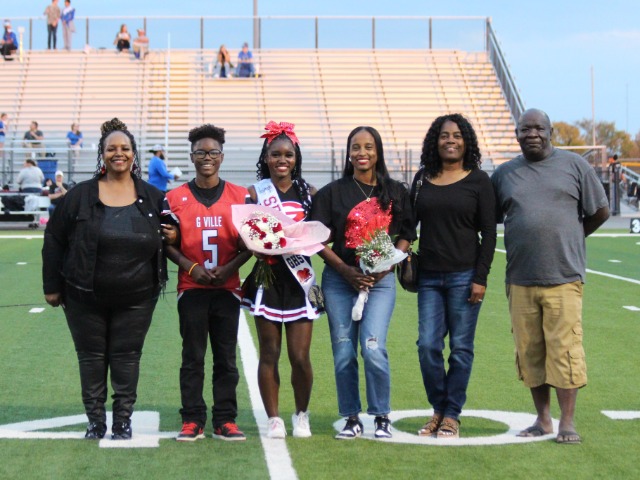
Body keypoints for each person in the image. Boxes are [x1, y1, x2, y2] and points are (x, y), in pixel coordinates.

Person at [42, 118, 174, 440]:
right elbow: (54, 238)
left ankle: (123, 420)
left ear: (133, 153)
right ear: (102, 154)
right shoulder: (80, 195)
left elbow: (171, 235)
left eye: (125, 148)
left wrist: (175, 235)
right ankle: (95, 421)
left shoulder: (153, 196)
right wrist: (51, 287)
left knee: (127, 358)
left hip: (138, 296)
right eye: (111, 148)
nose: (119, 153)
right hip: (83, 295)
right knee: (91, 358)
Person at [491, 108, 610, 445]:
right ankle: (543, 420)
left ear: (550, 132)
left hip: (564, 276)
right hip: (520, 277)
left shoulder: (575, 166)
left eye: (539, 128)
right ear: (517, 134)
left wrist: (573, 236)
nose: (532, 134)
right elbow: (491, 216)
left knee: (565, 350)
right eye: (525, 129)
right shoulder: (504, 174)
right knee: (530, 352)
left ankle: (567, 422)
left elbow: (600, 211)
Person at [310, 126, 415, 440]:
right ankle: (351, 418)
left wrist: (387, 265)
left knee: (373, 347)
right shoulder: (332, 192)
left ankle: (381, 416)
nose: (362, 153)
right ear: (348, 153)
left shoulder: (395, 191)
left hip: (380, 282)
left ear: (378, 151)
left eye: (368, 146)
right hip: (340, 281)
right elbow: (316, 239)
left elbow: (407, 234)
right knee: (344, 351)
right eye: (355, 147)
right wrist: (345, 270)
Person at [162, 124, 251, 442]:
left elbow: (253, 242)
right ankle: (192, 418)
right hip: (192, 287)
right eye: (200, 152)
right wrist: (191, 267)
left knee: (226, 357)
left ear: (222, 156)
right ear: (191, 156)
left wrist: (229, 268)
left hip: (227, 288)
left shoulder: (241, 196)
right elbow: (166, 243)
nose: (207, 157)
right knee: (193, 356)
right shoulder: (174, 198)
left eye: (213, 152)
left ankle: (225, 419)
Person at [410, 114, 496, 439]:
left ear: (466, 141)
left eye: (457, 135)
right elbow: (408, 225)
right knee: (427, 346)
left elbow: (489, 234)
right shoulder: (422, 179)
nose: (450, 140)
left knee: (460, 348)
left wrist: (480, 277)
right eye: (444, 135)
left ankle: (451, 415)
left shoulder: (479, 181)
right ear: (435, 141)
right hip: (429, 278)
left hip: (465, 276)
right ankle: (438, 408)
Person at [241, 121, 320, 439]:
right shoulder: (254, 193)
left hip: (301, 280)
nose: (282, 160)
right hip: (268, 278)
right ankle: (273, 418)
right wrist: (256, 244)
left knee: (299, 357)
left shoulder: (310, 193)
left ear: (296, 158)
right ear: (266, 157)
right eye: (275, 154)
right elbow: (246, 235)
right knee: (269, 352)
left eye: (288, 154)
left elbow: (321, 234)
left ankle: (302, 414)